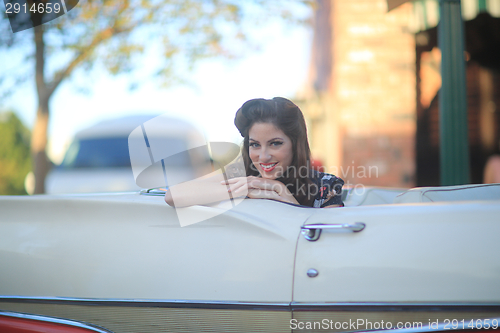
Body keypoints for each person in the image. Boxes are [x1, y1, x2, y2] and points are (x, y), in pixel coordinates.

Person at [164, 97, 344, 208]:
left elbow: (330, 244)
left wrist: (281, 191)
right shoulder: (243, 176)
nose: (263, 156)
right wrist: (246, 189)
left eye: (275, 144)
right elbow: (173, 196)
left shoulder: (325, 187)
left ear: (295, 144)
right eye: (255, 145)